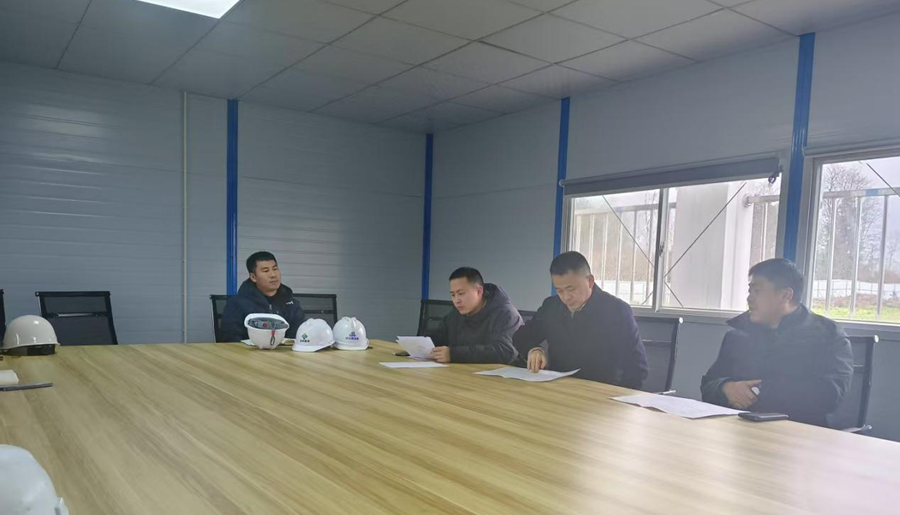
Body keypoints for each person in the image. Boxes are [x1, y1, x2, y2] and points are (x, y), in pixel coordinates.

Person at [701, 258, 853, 426]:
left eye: (757, 291)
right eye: (750, 291)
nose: (749, 298)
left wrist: (759, 393)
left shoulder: (827, 335)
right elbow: (708, 385)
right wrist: (726, 388)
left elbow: (829, 396)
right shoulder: (739, 335)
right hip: (739, 429)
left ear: (786, 295)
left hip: (799, 432)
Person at [513, 251, 647, 388]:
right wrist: (534, 349)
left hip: (601, 392)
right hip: (558, 389)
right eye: (559, 290)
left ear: (590, 281)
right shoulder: (551, 307)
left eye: (571, 289)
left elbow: (636, 369)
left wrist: (615, 396)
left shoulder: (616, 311)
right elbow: (520, 336)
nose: (566, 297)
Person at [426, 267, 522, 364]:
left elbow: (505, 351)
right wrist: (420, 344)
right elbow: (437, 337)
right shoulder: (456, 315)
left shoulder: (506, 315)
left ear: (479, 291)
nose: (456, 300)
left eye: (461, 293)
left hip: (499, 372)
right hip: (462, 370)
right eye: (453, 295)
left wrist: (453, 354)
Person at [220, 251, 306, 342]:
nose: (273, 275)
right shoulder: (237, 304)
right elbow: (229, 339)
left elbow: (299, 335)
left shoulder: (290, 303)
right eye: (266, 271)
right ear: (253, 277)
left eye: (275, 269)